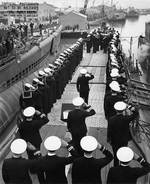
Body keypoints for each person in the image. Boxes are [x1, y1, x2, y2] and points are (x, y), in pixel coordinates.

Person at [107, 101, 139, 166]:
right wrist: (129, 107)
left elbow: (109, 131)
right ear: (123, 110)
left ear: (115, 110)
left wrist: (109, 139)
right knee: (123, 154)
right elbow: (136, 114)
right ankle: (122, 166)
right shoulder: (126, 119)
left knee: (116, 156)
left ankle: (115, 167)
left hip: (114, 141)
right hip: (124, 140)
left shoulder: (111, 119)